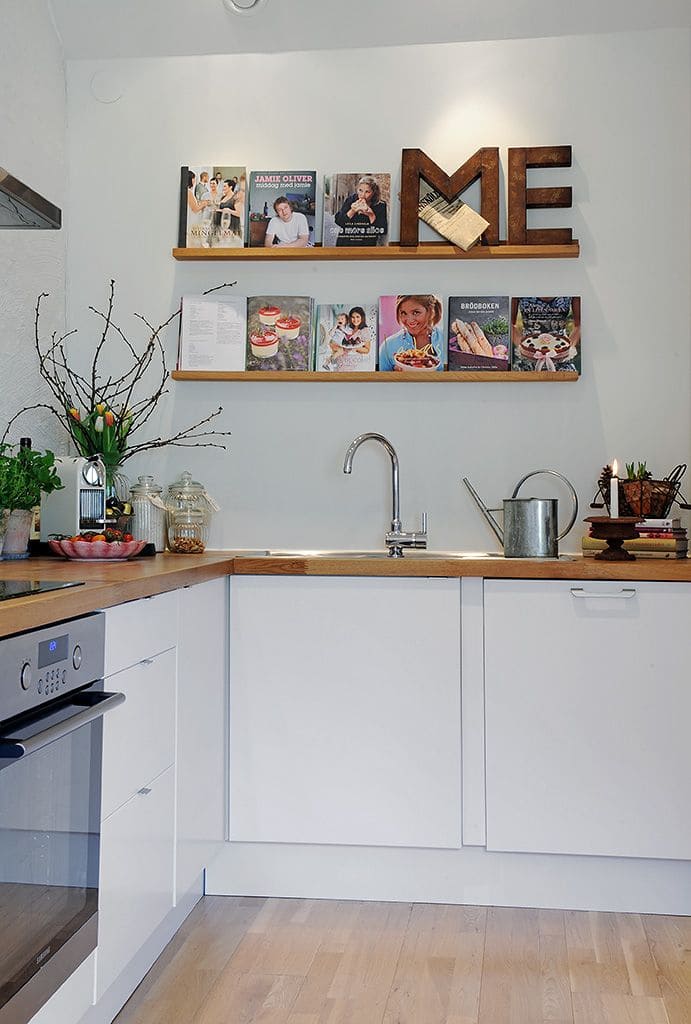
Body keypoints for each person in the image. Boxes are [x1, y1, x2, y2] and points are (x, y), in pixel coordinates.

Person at [379, 295, 444, 371]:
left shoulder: (445, 338)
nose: (409, 320)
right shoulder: (388, 346)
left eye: (416, 312)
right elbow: (381, 379)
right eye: (403, 313)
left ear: (431, 312)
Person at [334, 175, 388, 247]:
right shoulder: (351, 199)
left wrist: (371, 215)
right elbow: (339, 221)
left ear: (373, 192)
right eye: (360, 190)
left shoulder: (380, 205)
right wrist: (352, 211)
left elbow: (382, 230)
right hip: (345, 243)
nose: (362, 195)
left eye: (367, 192)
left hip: (366, 245)